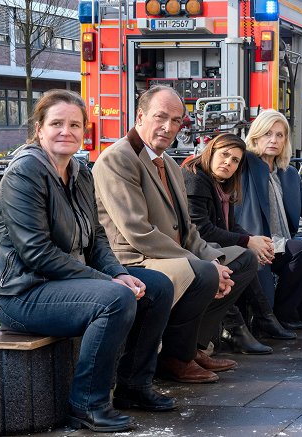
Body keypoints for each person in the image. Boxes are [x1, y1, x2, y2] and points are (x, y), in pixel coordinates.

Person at [0, 90, 175, 433]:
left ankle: (133, 386)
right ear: (39, 129)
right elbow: (37, 254)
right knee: (115, 299)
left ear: (84, 130)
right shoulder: (24, 173)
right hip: (22, 293)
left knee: (157, 286)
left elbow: (97, 237)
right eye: (56, 123)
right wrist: (109, 283)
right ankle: (87, 404)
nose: (65, 131)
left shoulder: (80, 171)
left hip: (64, 284)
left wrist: (116, 271)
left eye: (75, 124)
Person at [92, 85, 259, 383]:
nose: (168, 127)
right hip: (135, 259)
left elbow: (188, 229)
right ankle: (174, 358)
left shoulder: (168, 162)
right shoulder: (117, 159)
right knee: (206, 273)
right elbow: (139, 232)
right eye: (160, 117)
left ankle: (192, 347)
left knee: (244, 259)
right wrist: (205, 265)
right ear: (140, 116)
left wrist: (214, 258)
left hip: (171, 254)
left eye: (177, 120)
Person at [182, 133, 297, 353]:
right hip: (191, 249)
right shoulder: (196, 178)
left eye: (235, 160)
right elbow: (201, 229)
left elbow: (230, 225)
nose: (228, 162)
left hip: (210, 247)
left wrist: (256, 241)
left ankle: (258, 320)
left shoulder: (221, 183)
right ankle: (238, 328)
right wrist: (247, 241)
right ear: (211, 151)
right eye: (224, 155)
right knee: (243, 257)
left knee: (248, 255)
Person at [234, 109, 302, 329]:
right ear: (256, 136)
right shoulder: (244, 167)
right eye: (268, 134)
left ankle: (298, 311)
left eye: (280, 135)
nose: (274, 140)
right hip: (257, 242)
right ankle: (283, 315)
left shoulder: (288, 173)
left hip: (283, 242)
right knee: (301, 250)